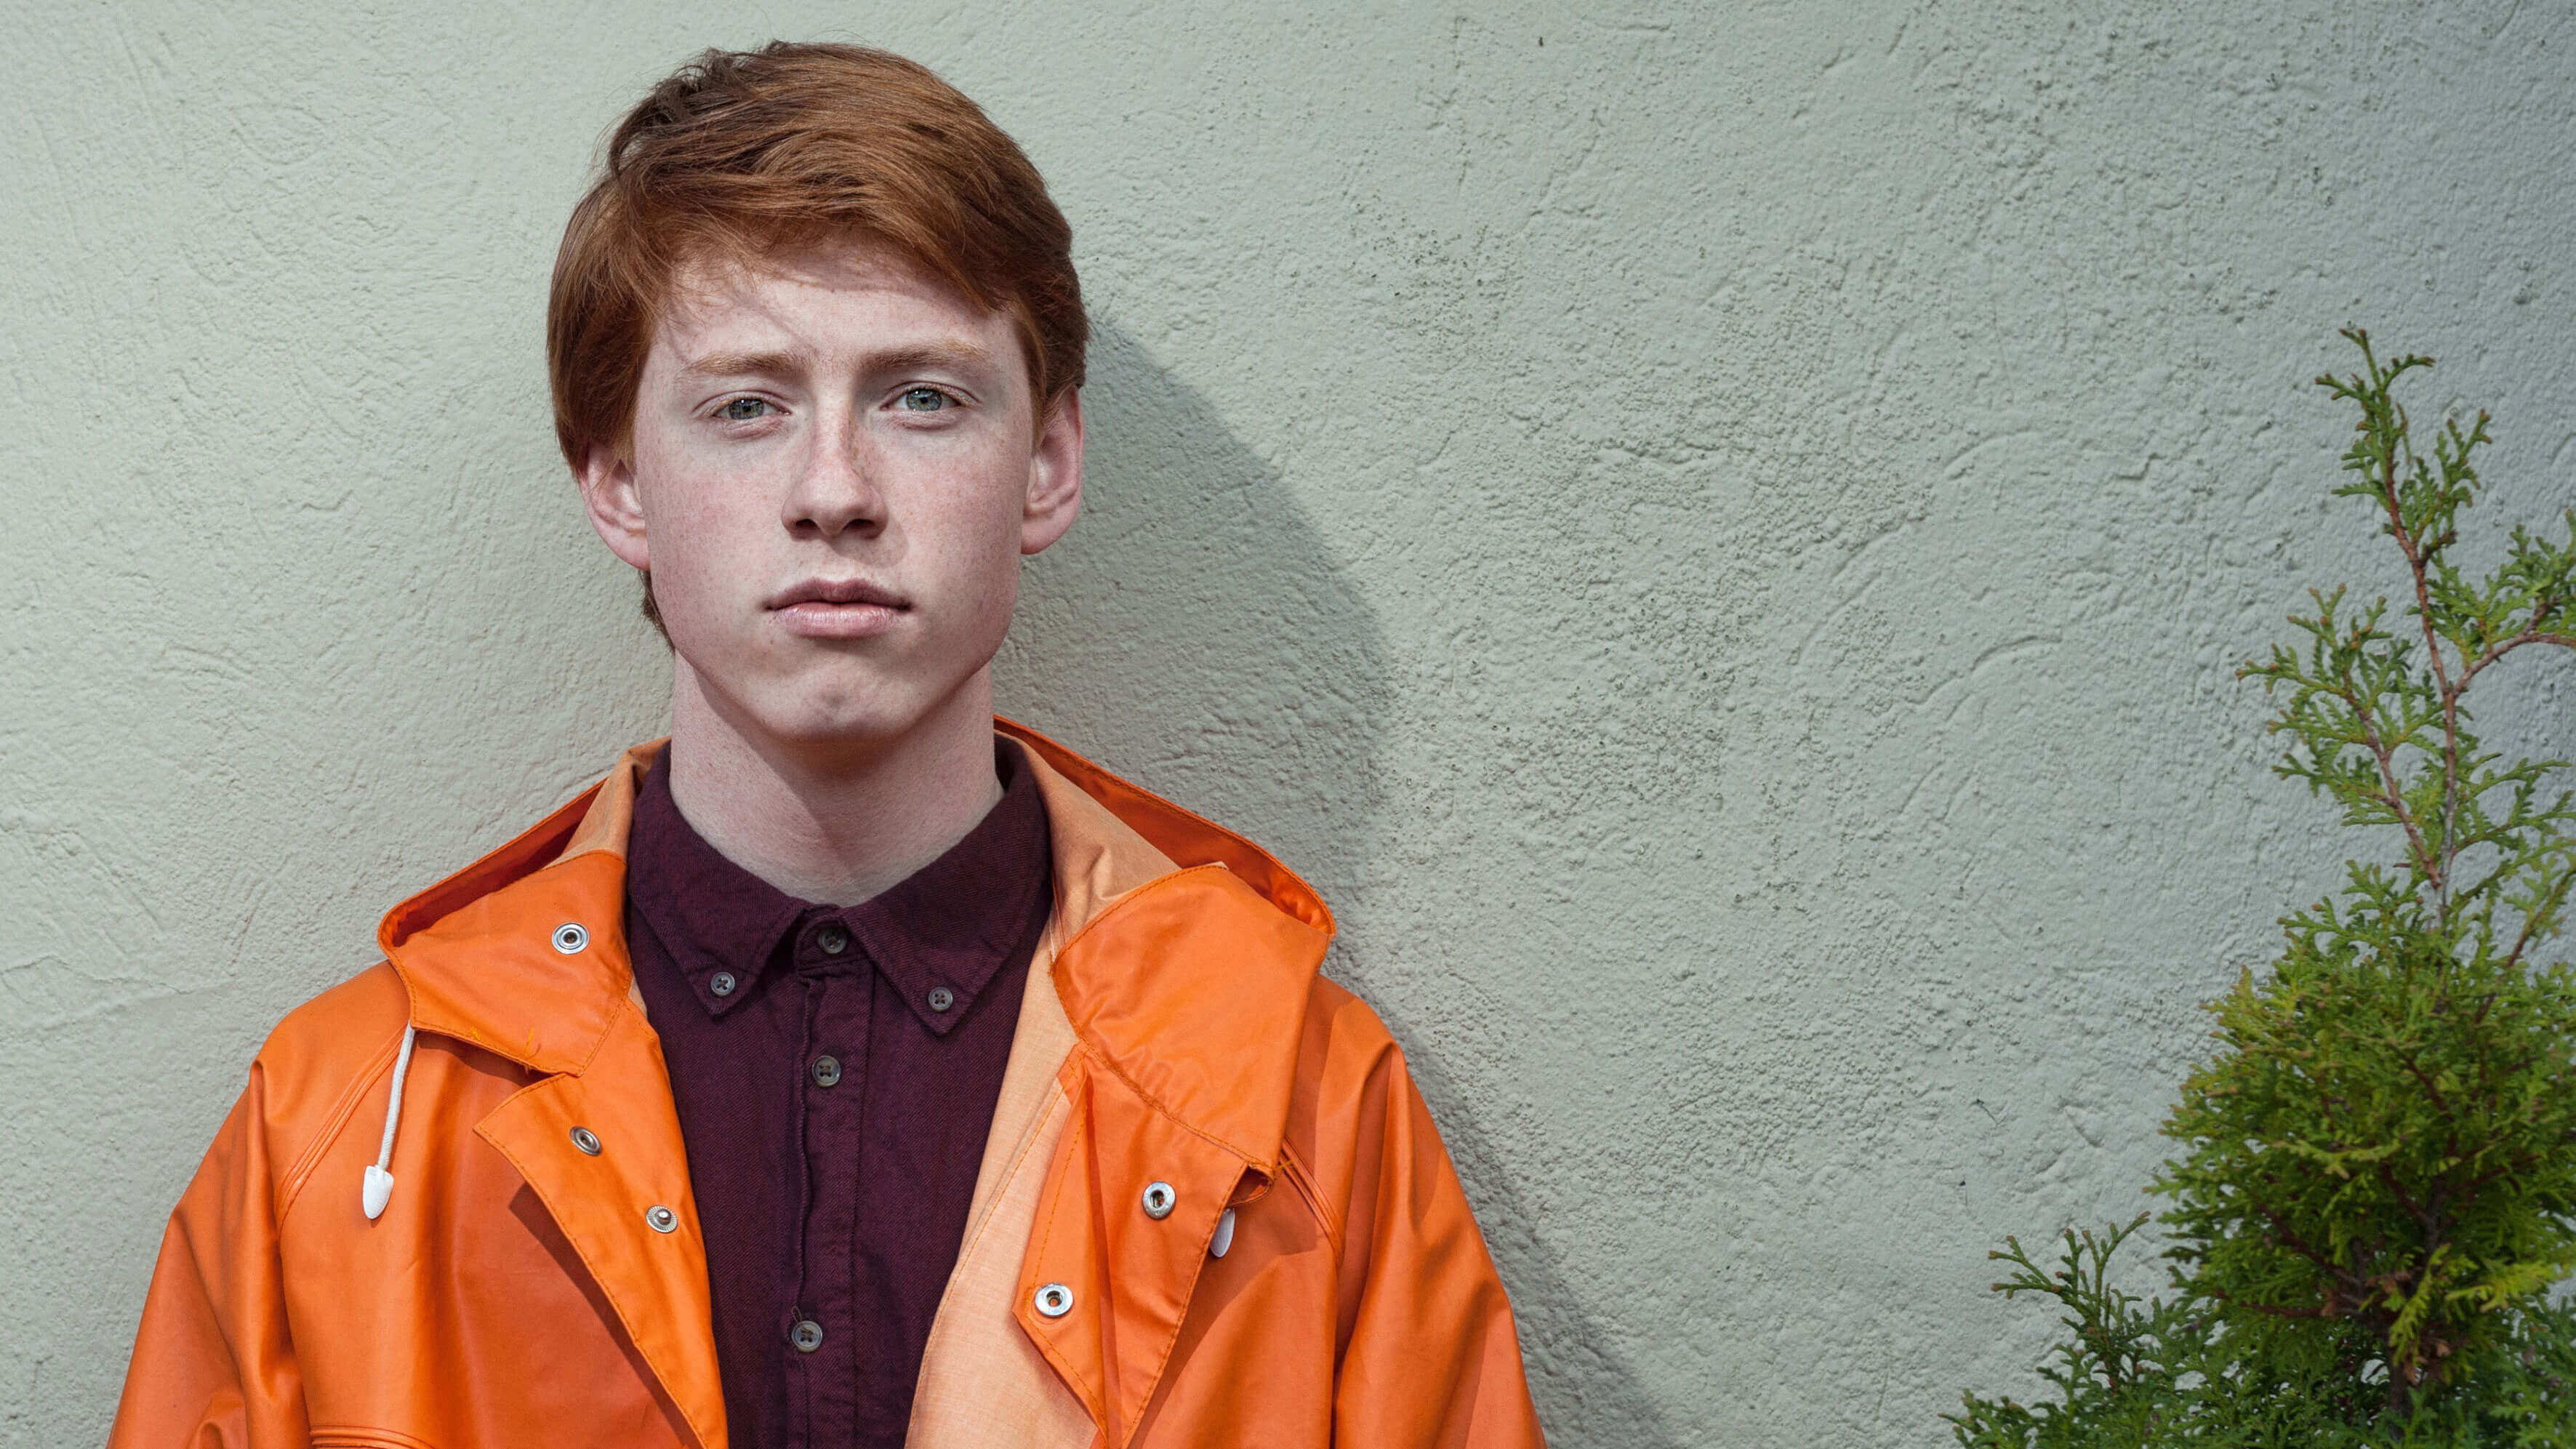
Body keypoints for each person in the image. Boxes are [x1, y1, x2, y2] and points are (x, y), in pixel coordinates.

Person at [107, 41, 1545, 1449]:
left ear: (1047, 464)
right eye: (746, 405)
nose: (835, 490)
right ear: (617, 480)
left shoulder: (1306, 1105)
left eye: (922, 397)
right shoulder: (340, 1117)